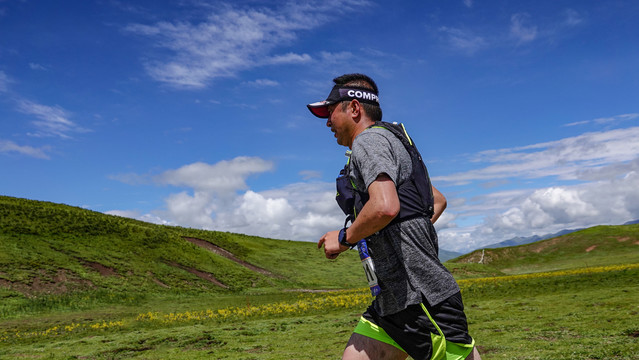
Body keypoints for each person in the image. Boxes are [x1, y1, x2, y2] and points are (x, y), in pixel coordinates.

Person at [307, 73, 481, 360]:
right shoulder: (392, 140)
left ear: (354, 108)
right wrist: (390, 235)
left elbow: (385, 207)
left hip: (421, 296)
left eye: (330, 112)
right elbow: (436, 201)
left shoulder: (368, 142)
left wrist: (344, 239)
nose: (327, 122)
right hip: (391, 298)